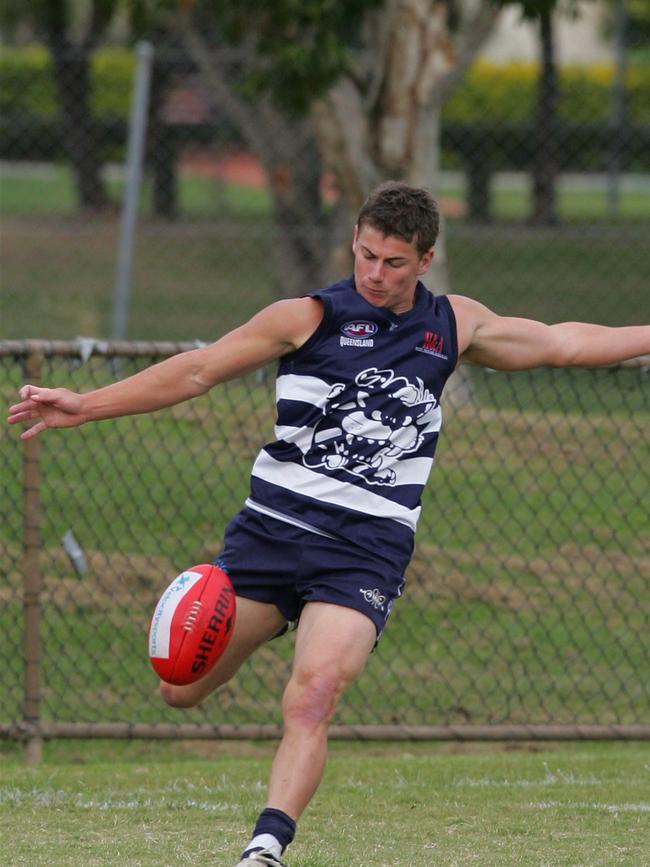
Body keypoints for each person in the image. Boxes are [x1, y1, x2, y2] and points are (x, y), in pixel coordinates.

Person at [8, 182, 650, 867]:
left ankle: (265, 846)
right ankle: (268, 618)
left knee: (312, 695)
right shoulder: (306, 316)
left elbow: (561, 342)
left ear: (424, 259)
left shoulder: (453, 325)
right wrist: (85, 403)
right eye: (366, 255)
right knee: (179, 688)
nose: (375, 273)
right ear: (354, 242)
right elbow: (197, 371)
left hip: (365, 550)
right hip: (272, 532)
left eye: (394, 262)